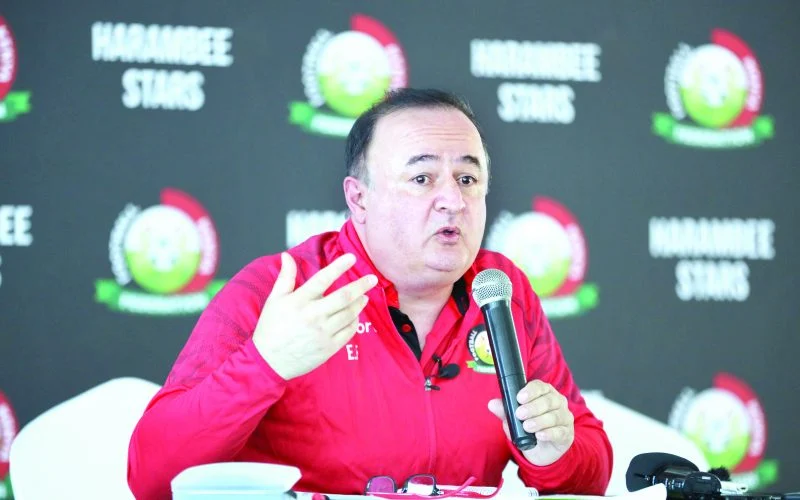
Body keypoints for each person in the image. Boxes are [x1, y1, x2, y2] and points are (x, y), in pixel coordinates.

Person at [127, 88, 613, 499]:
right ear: (359, 199)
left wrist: (557, 455)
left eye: (468, 179)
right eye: (422, 178)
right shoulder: (281, 289)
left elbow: (591, 469)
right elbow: (151, 477)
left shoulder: (501, 291)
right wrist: (264, 365)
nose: (453, 200)